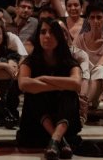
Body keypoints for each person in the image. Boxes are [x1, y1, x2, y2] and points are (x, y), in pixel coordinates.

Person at [17, 18, 82, 159]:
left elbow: (76, 84)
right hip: (37, 124)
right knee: (34, 94)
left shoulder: (69, 61)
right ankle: (58, 140)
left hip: (63, 117)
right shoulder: (30, 61)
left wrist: (44, 78)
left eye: (52, 32)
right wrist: (60, 85)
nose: (47, 36)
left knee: (69, 94)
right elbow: (23, 84)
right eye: (43, 32)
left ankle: (54, 140)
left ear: (59, 36)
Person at [72, 2, 103, 112]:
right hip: (82, 81)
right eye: (92, 17)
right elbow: (73, 62)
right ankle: (85, 106)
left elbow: (100, 64)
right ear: (88, 19)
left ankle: (84, 105)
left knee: (100, 69)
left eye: (99, 17)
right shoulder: (79, 39)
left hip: (99, 84)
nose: (95, 21)